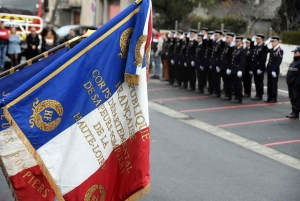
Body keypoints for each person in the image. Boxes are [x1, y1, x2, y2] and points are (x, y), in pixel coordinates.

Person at [265, 36, 284, 103]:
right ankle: (269, 97)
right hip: (269, 69)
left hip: (274, 70)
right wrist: (266, 43)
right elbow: (265, 50)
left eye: (273, 42)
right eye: (271, 42)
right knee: (269, 84)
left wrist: (274, 70)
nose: (272, 43)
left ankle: (274, 98)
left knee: (273, 84)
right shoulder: (272, 49)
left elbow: (278, 61)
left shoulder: (280, 50)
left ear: (277, 42)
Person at [250, 33, 268, 101]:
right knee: (256, 81)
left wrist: (260, 68)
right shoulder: (257, 46)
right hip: (255, 67)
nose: (256, 40)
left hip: (259, 67)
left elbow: (263, 59)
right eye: (256, 39)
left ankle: (260, 95)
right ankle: (257, 94)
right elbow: (251, 48)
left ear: (262, 39)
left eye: (258, 39)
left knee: (259, 81)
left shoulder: (263, 47)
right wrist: (252, 41)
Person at [220, 32, 235, 101]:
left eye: (227, 38)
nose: (226, 39)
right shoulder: (226, 45)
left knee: (229, 82)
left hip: (228, 67)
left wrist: (229, 67)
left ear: (231, 39)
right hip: (224, 66)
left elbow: (230, 58)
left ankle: (229, 95)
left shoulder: (232, 47)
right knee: (225, 81)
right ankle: (226, 94)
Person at [230, 36, 246, 103]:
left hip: (238, 69)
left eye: (237, 41)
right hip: (234, 68)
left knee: (239, 84)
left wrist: (240, 70)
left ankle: (239, 98)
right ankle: (236, 96)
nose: (236, 42)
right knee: (235, 83)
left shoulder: (242, 50)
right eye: (235, 41)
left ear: (241, 42)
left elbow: (242, 61)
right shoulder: (236, 49)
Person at [286, 47, 300, 119]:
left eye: (296, 52)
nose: (294, 53)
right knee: (292, 98)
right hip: (291, 84)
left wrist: (296, 84)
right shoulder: (294, 62)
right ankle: (293, 111)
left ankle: (296, 112)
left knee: (296, 98)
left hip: (295, 85)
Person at [210, 30, 224, 98]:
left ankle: (217, 92)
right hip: (213, 63)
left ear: (220, 36)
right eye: (215, 35)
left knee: (217, 79)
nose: (215, 36)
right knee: (214, 78)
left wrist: (218, 65)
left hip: (217, 64)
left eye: (216, 35)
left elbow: (220, 55)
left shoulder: (221, 43)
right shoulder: (215, 43)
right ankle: (214, 91)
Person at [203, 31, 214, 95]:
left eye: (209, 37)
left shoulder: (212, 43)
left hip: (211, 63)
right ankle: (210, 89)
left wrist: (211, 40)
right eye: (207, 36)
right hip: (207, 62)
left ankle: (211, 90)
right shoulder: (207, 43)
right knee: (209, 77)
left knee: (211, 77)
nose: (208, 38)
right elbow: (205, 43)